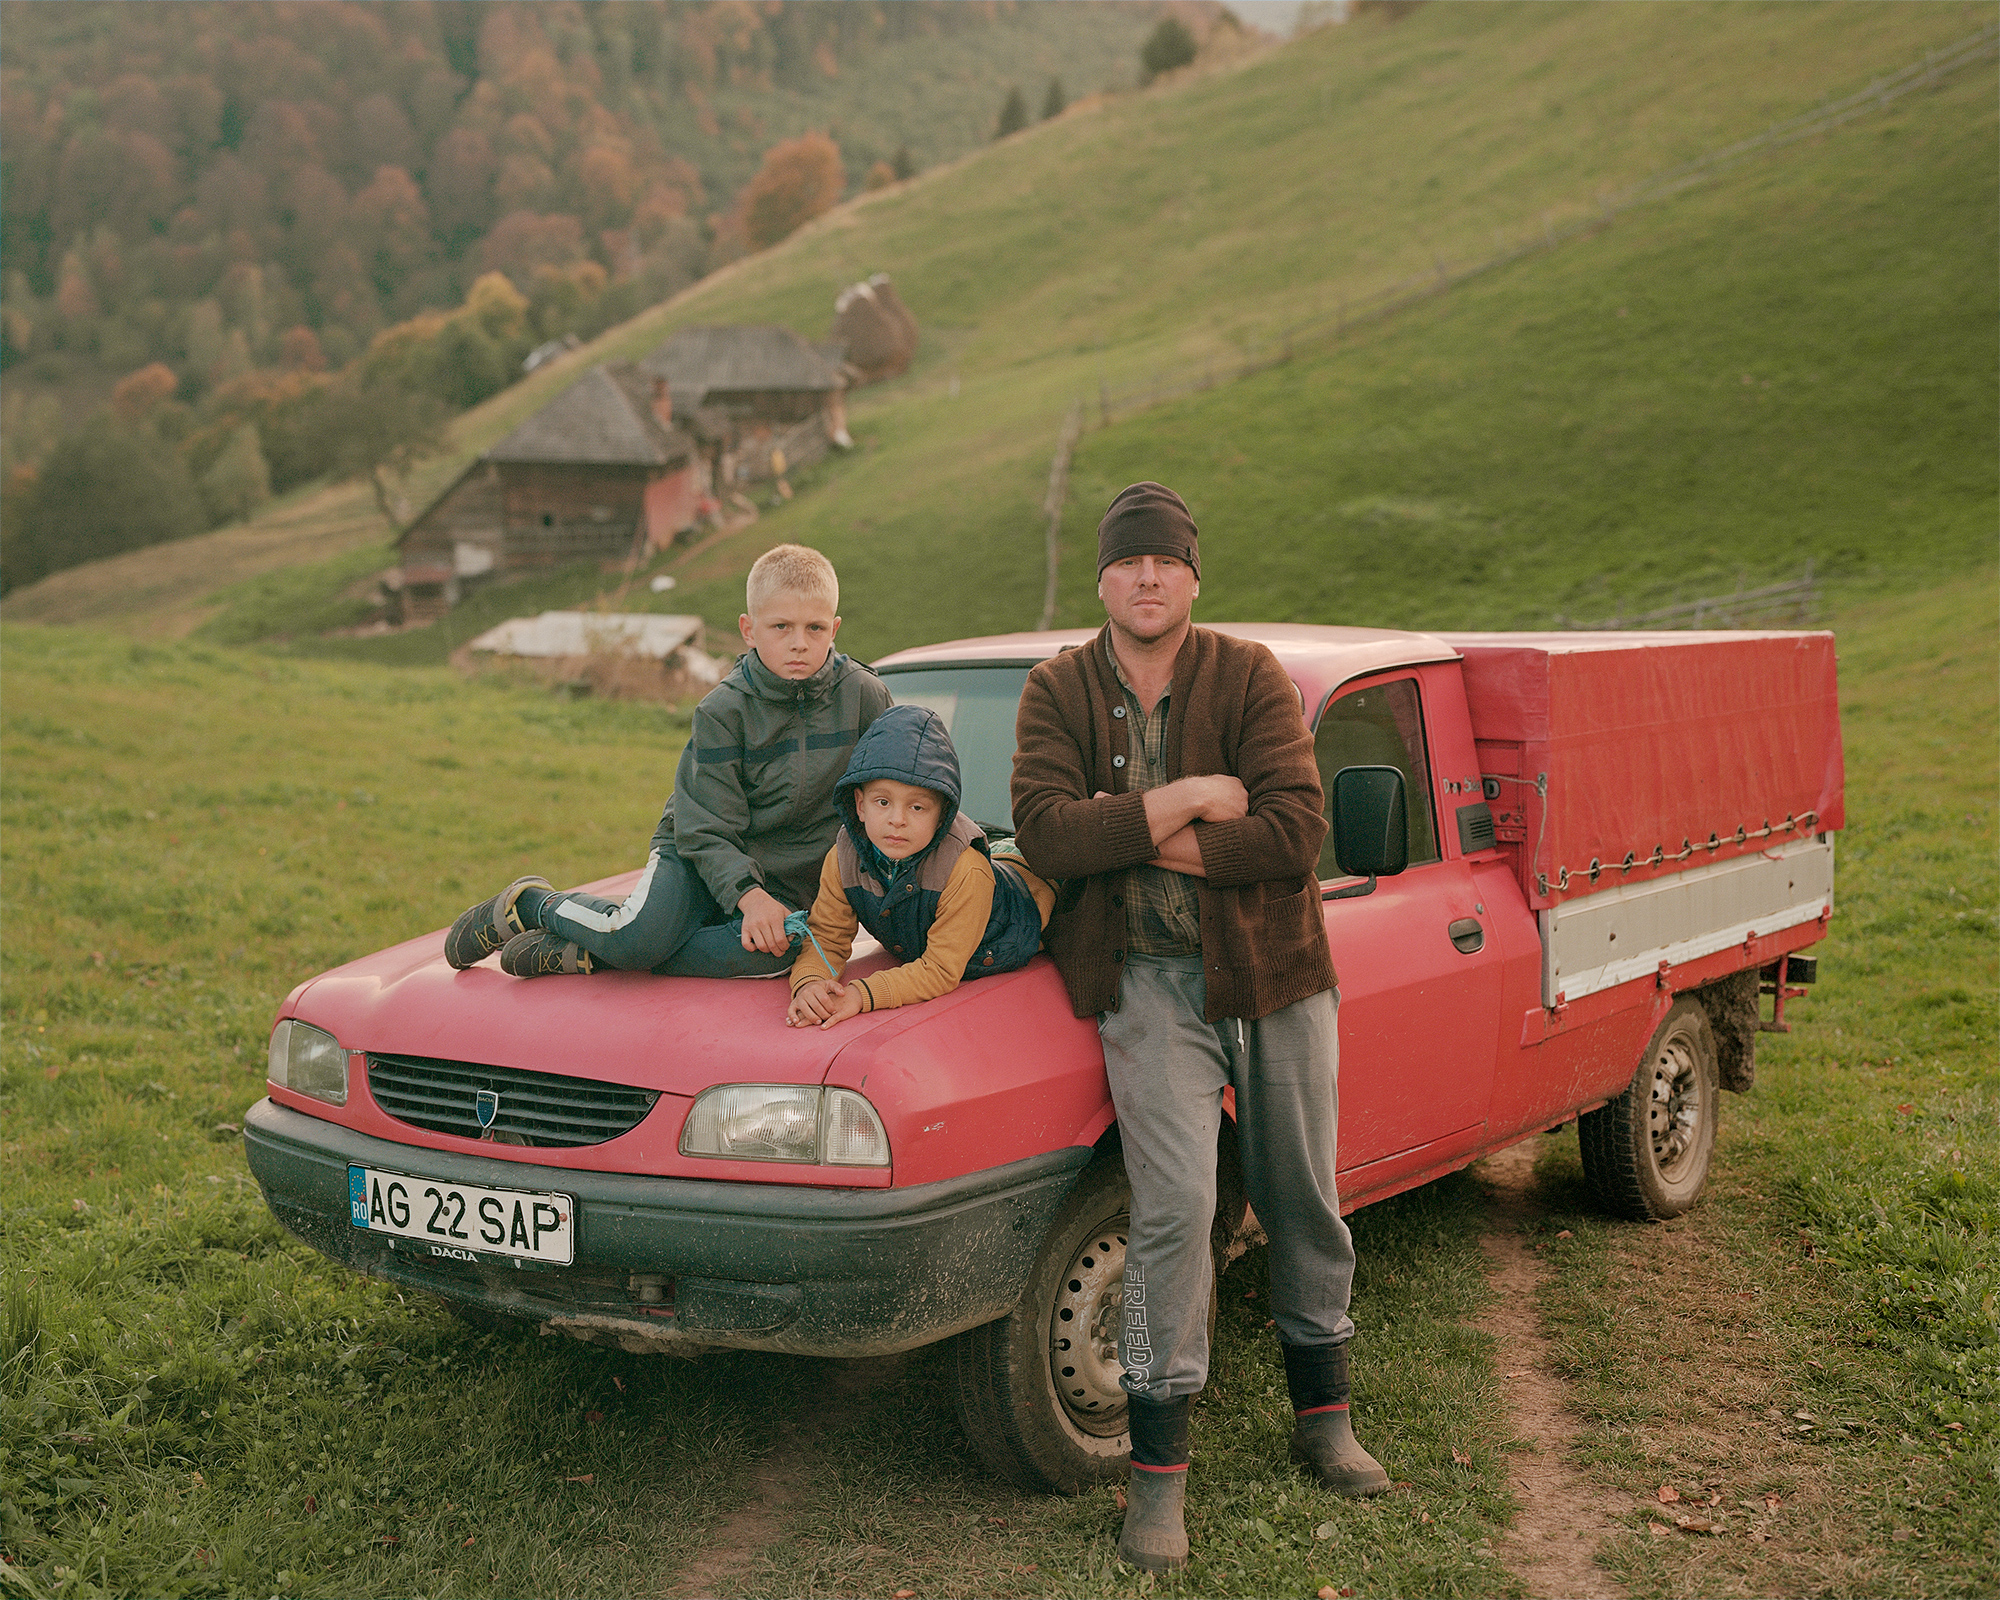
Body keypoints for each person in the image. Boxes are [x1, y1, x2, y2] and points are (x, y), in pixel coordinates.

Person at [1010, 482, 1388, 1574]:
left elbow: (1291, 834)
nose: (1144, 579)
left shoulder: (1249, 673)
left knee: (1300, 1190)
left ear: (1189, 576)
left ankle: (1324, 1418)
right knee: (1172, 1208)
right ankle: (1155, 1476)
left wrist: (1125, 829)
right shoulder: (1057, 687)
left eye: (1163, 562)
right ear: (1102, 578)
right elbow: (1043, 829)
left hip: (1273, 973)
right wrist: (1186, 799)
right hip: (1142, 983)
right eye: (1126, 562)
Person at [443, 544, 891, 979]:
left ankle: (591, 954)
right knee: (640, 937)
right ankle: (530, 905)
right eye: (780, 627)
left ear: (834, 629)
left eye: (814, 628)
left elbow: (901, 786)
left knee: (778, 950)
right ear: (749, 630)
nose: (799, 644)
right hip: (697, 850)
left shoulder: (864, 697)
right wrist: (748, 897)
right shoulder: (723, 710)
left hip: (787, 876)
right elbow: (704, 827)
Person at [786, 704, 1055, 1029]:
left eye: (916, 807)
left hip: (1032, 897)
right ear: (859, 805)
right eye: (882, 802)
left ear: (942, 815)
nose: (897, 820)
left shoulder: (966, 871)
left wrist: (861, 994)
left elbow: (940, 970)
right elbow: (827, 937)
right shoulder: (844, 857)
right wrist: (810, 981)